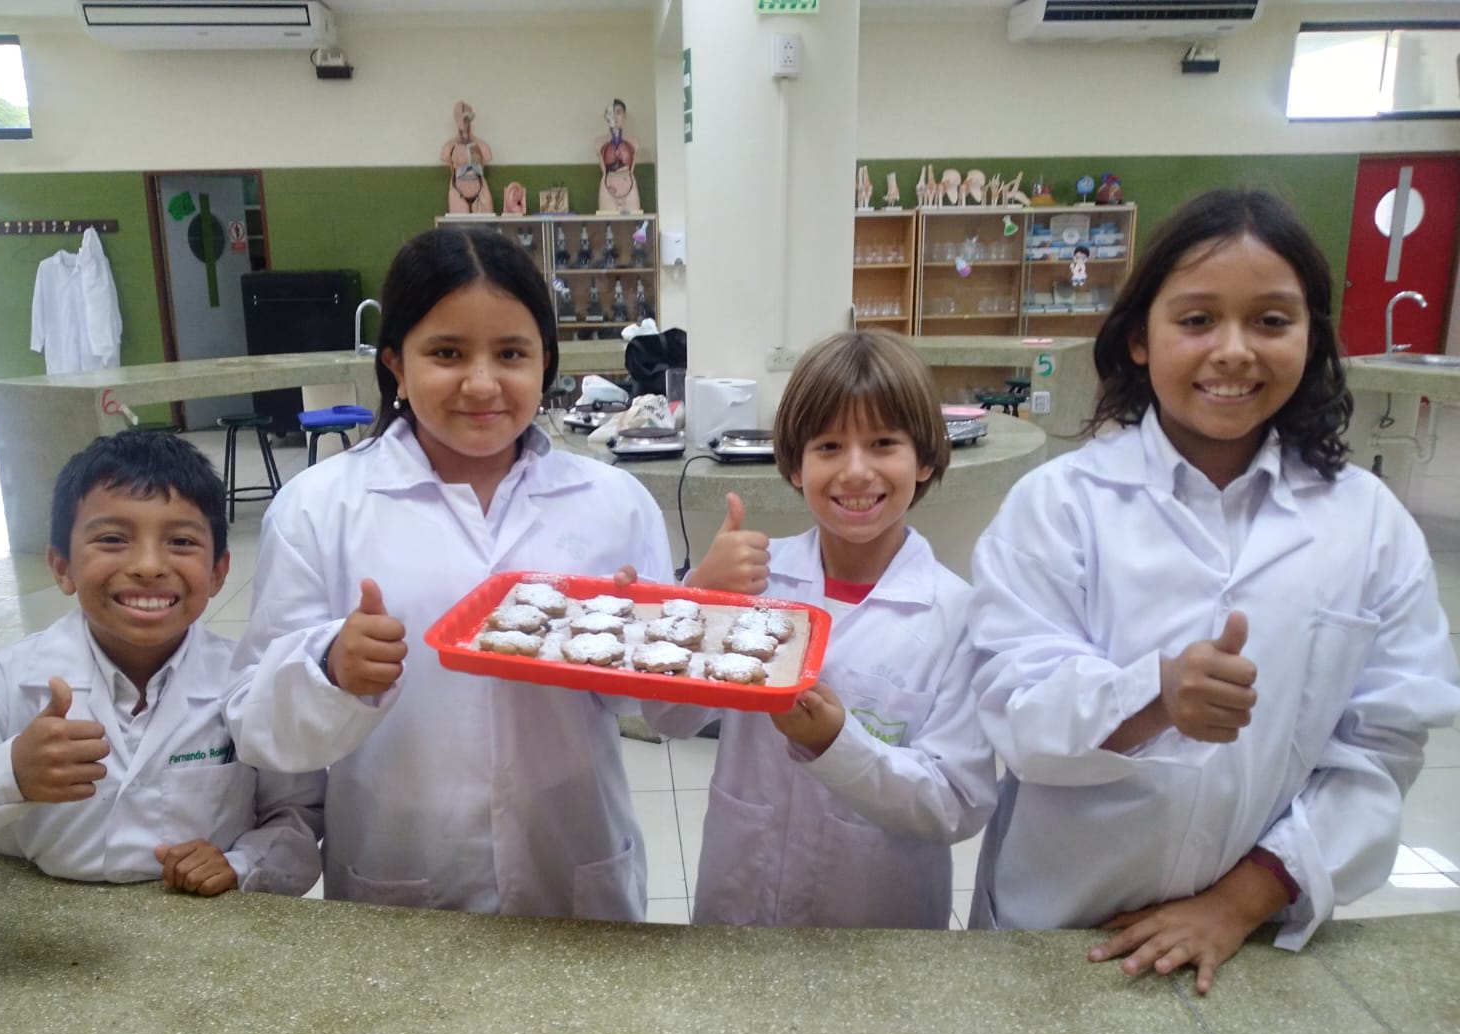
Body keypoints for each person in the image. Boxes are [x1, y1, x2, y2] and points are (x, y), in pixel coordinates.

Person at [968, 189, 1460, 992]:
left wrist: (1240, 902)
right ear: (1138, 338)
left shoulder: (1368, 524)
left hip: (1252, 941)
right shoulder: (1060, 505)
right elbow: (1016, 710)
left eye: (1271, 321)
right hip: (1060, 930)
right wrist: (1154, 698)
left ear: (1312, 338)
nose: (1233, 351)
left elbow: (1383, 746)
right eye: (1196, 321)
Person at [224, 226, 673, 921]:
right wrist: (328, 667)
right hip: (399, 872)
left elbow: (663, 713)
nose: (483, 382)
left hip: (572, 866)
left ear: (546, 363)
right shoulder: (319, 508)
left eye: (512, 353)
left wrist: (667, 637)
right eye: (446, 353)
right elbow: (259, 728)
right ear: (395, 365)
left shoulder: (613, 504)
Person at [0, 432, 325, 895]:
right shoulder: (7, 685)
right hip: (41, 931)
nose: (148, 565)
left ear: (218, 572)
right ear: (62, 567)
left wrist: (240, 864)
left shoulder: (250, 684)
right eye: (112, 539)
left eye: (181, 542)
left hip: (205, 930)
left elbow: (298, 818)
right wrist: (8, 776)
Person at [645, 331, 997, 928]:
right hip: (743, 898)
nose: (856, 471)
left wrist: (837, 745)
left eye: (884, 443)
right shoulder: (759, 582)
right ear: (793, 464)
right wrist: (697, 602)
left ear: (926, 458)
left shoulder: (958, 617)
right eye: (829, 445)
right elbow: (668, 720)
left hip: (877, 920)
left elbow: (956, 805)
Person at [442, 100, 493, 215]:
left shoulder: (481, 145)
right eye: (462, 119)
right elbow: (445, 157)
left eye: (467, 119)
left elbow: (488, 156)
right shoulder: (450, 147)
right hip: (458, 188)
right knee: (459, 227)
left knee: (485, 226)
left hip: (479, 187)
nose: (465, 123)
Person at [596, 99, 641, 214]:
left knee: (634, 223)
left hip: (628, 184)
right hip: (608, 184)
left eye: (618, 112)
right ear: (606, 116)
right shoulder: (599, 142)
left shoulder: (634, 141)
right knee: (606, 223)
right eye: (611, 113)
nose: (615, 117)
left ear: (624, 116)